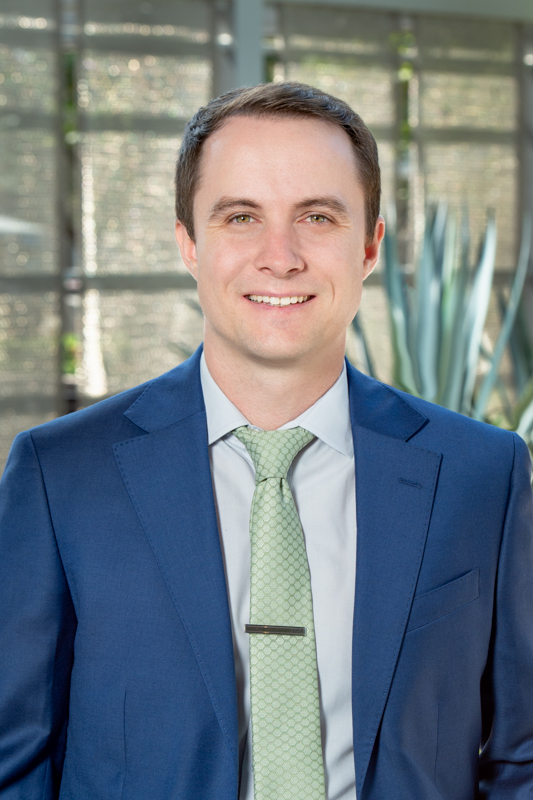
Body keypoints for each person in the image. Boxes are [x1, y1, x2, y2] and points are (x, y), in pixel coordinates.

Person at [0, 81, 532, 800]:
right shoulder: (59, 474)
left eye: (317, 216)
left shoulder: (482, 474)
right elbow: (14, 763)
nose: (280, 257)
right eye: (241, 217)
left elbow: (522, 755)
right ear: (188, 243)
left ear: (369, 246)